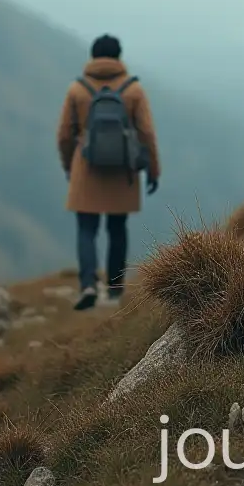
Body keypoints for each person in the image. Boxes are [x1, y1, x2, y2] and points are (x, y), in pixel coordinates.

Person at [55, 34, 161, 310]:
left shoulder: (77, 89)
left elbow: (64, 135)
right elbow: (147, 133)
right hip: (122, 170)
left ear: (92, 57)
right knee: (117, 229)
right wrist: (153, 169)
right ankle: (115, 288)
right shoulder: (133, 90)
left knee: (86, 228)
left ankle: (88, 284)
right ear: (118, 57)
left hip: (85, 167)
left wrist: (69, 165)